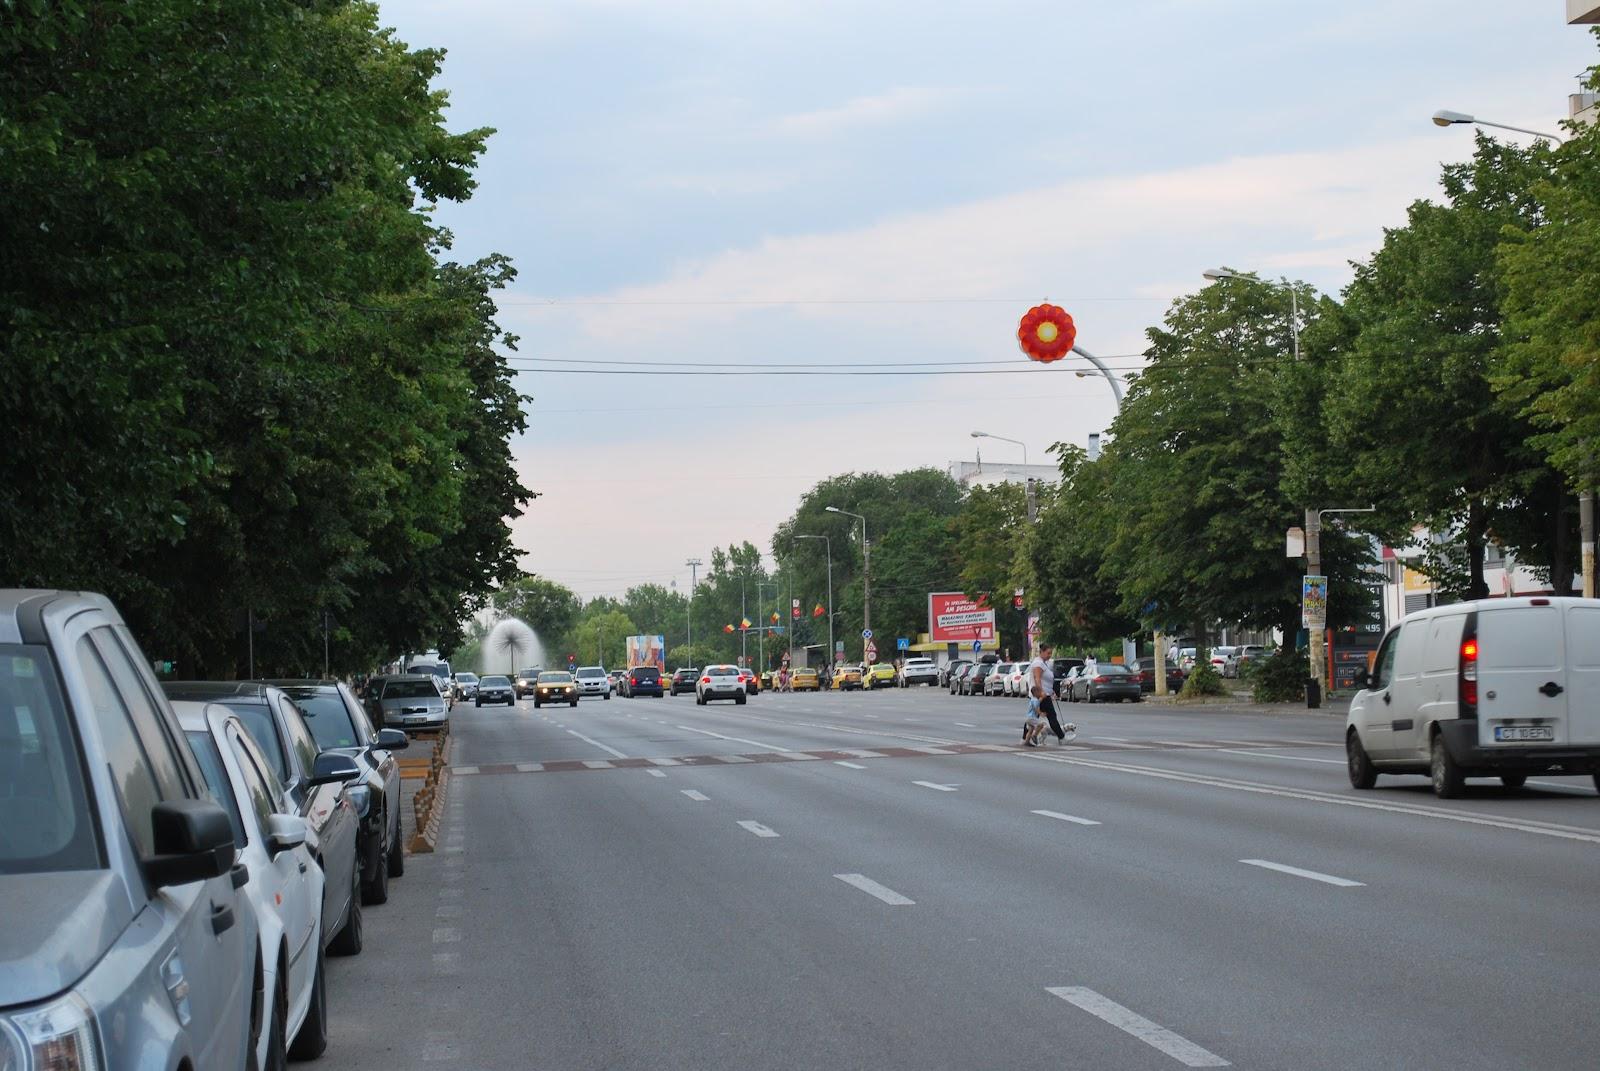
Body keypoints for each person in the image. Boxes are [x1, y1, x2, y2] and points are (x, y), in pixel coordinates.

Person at [1025, 642, 1069, 746]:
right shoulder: (1038, 664)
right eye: (1048, 653)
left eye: (1051, 653)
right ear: (1042, 652)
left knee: (1032, 717)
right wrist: (1042, 693)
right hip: (1042, 695)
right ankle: (1061, 737)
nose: (1050, 655)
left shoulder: (1043, 663)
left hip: (1044, 694)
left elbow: (1045, 679)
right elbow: (1037, 678)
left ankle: (1026, 739)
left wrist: (1051, 690)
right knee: (1051, 716)